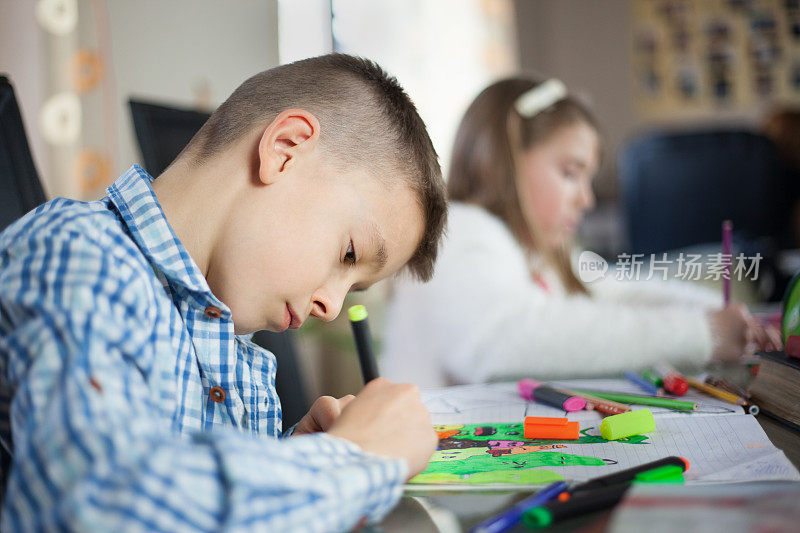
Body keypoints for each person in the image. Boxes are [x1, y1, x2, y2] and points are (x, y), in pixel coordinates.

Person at [0, 54, 447, 531]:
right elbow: (99, 503)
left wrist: (294, 455)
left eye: (353, 288)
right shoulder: (79, 255)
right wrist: (351, 457)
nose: (332, 306)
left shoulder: (235, 351)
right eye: (349, 253)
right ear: (285, 148)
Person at [382, 77, 780, 388]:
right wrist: (702, 333)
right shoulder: (462, 232)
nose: (587, 200)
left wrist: (721, 317)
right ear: (504, 160)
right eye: (571, 173)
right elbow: (513, 338)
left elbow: (616, 289)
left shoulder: (532, 251)